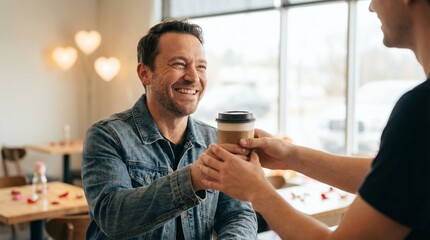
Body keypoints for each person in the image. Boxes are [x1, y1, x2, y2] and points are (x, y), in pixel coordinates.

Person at [198, 0, 430, 239]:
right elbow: (394, 174)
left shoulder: (420, 111)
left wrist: (257, 192)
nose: (371, 6)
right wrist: (290, 155)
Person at [81, 19, 257, 239]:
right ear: (145, 73)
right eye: (179, 64)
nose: (194, 77)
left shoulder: (213, 138)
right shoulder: (107, 136)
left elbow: (238, 214)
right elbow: (113, 217)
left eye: (201, 66)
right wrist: (193, 178)